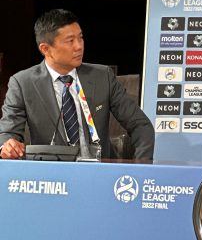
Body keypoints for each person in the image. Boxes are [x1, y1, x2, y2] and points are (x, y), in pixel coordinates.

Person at [0, 9, 154, 160]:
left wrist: (139, 168)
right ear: (46, 49)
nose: (79, 46)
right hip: (51, 172)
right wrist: (8, 145)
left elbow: (141, 125)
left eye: (80, 38)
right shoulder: (22, 83)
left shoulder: (103, 77)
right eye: (70, 41)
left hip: (99, 170)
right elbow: (8, 133)